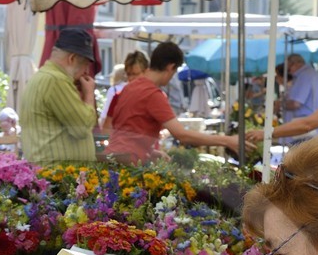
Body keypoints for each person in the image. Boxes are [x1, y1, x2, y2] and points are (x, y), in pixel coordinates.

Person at [105, 41, 238, 162]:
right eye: (174, 72)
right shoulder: (153, 94)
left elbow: (126, 130)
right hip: (128, 163)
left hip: (114, 157)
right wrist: (227, 141)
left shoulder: (130, 87)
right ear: (170, 67)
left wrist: (150, 152)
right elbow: (182, 135)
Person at [19, 27, 99, 167]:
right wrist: (89, 94)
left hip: (51, 170)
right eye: (85, 65)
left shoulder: (42, 77)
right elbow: (81, 128)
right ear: (72, 58)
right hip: (59, 174)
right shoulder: (56, 80)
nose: (86, 72)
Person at [99, 51, 145, 127]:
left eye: (135, 74)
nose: (131, 78)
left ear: (145, 72)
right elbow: (107, 125)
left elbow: (105, 115)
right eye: (129, 74)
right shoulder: (119, 96)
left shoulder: (154, 96)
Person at [282, 53, 318, 123]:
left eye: (288, 69)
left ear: (296, 63)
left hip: (306, 122)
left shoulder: (304, 76)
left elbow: (295, 104)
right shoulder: (310, 73)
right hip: (311, 120)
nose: (289, 72)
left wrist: (281, 104)